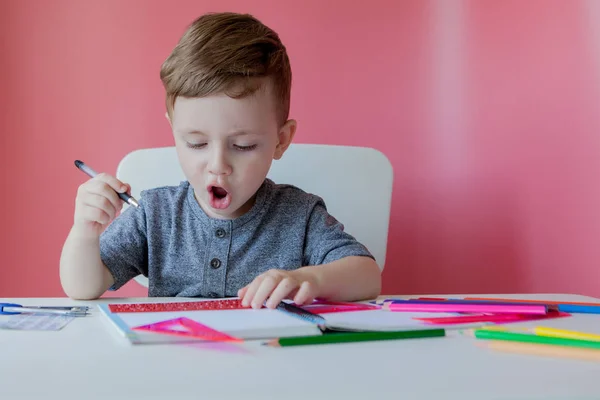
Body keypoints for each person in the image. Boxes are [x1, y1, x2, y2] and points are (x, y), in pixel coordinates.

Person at [59, 12, 382, 308]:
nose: (218, 164)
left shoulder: (298, 215)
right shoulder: (154, 214)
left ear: (281, 140)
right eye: (196, 143)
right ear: (175, 133)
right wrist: (86, 232)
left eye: (243, 145)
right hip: (174, 357)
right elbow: (83, 287)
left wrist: (309, 279)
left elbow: (367, 276)